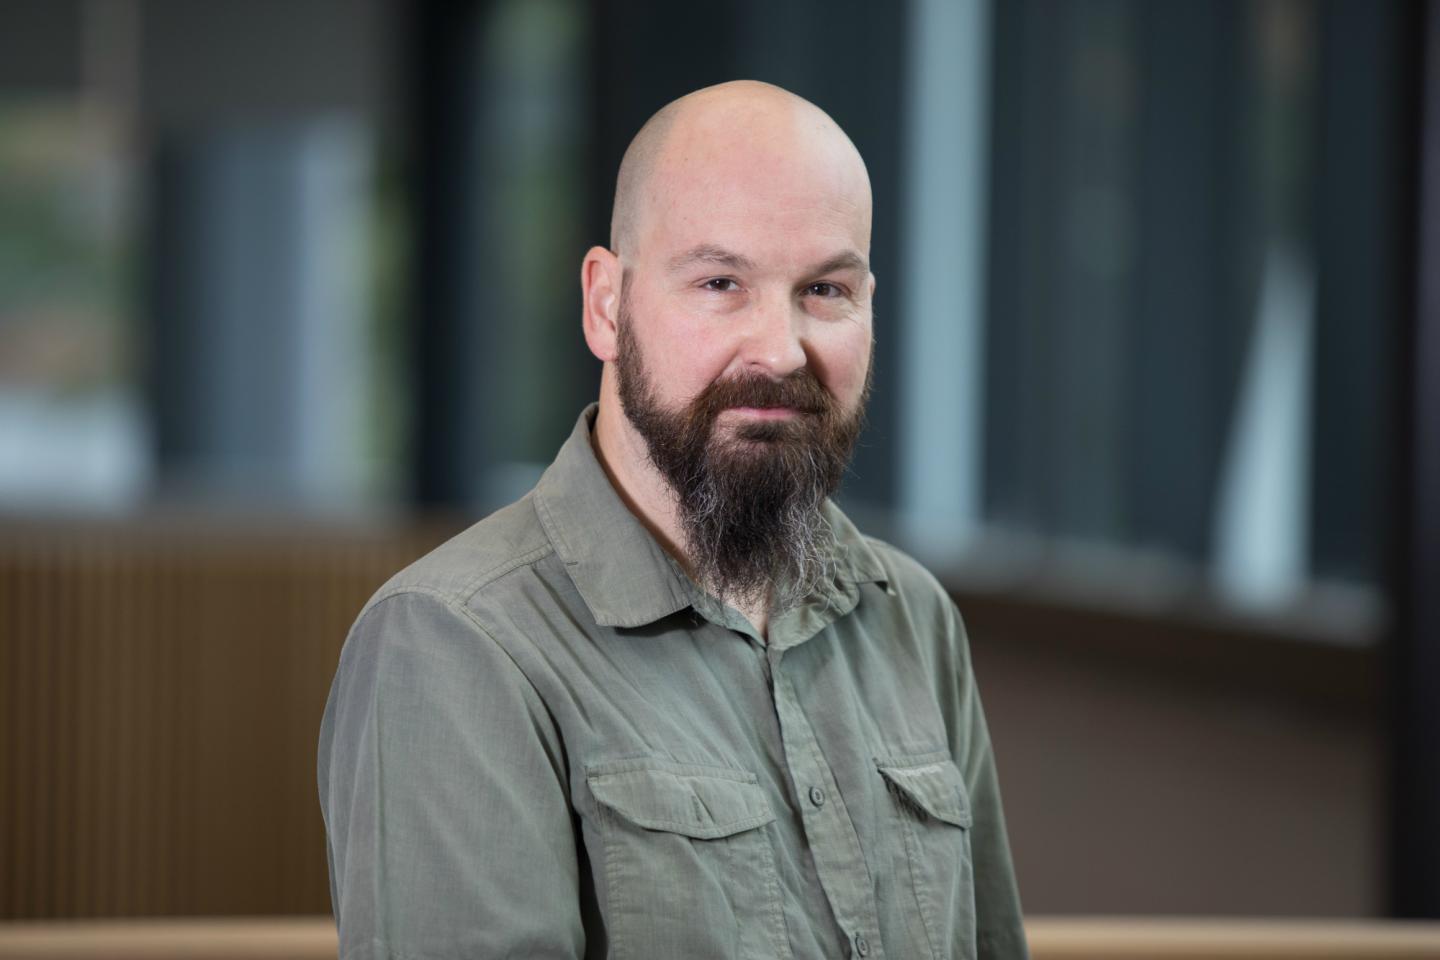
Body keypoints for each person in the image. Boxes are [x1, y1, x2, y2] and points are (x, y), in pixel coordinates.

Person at [318, 79, 1028, 960]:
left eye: (825, 291)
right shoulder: (455, 645)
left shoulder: (912, 617)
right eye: (721, 281)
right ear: (607, 306)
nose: (779, 347)